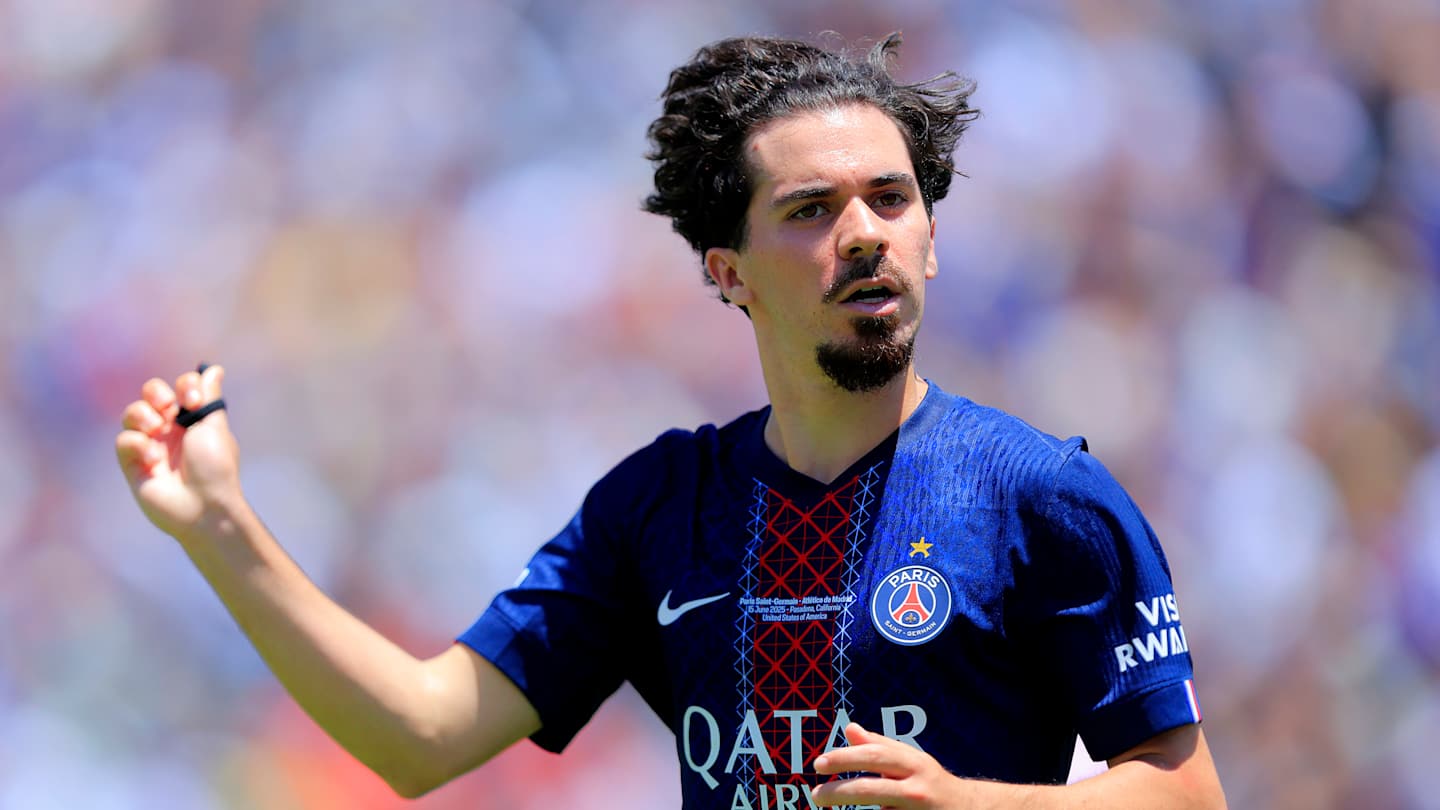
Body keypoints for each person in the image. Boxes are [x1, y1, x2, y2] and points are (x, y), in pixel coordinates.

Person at [115, 32, 1226, 809]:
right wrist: (218, 526)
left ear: (931, 239)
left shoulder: (1043, 496)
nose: (864, 233)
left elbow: (1185, 794)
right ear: (727, 272)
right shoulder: (659, 508)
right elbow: (420, 735)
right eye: (811, 210)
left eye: (891, 200)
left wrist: (972, 804)